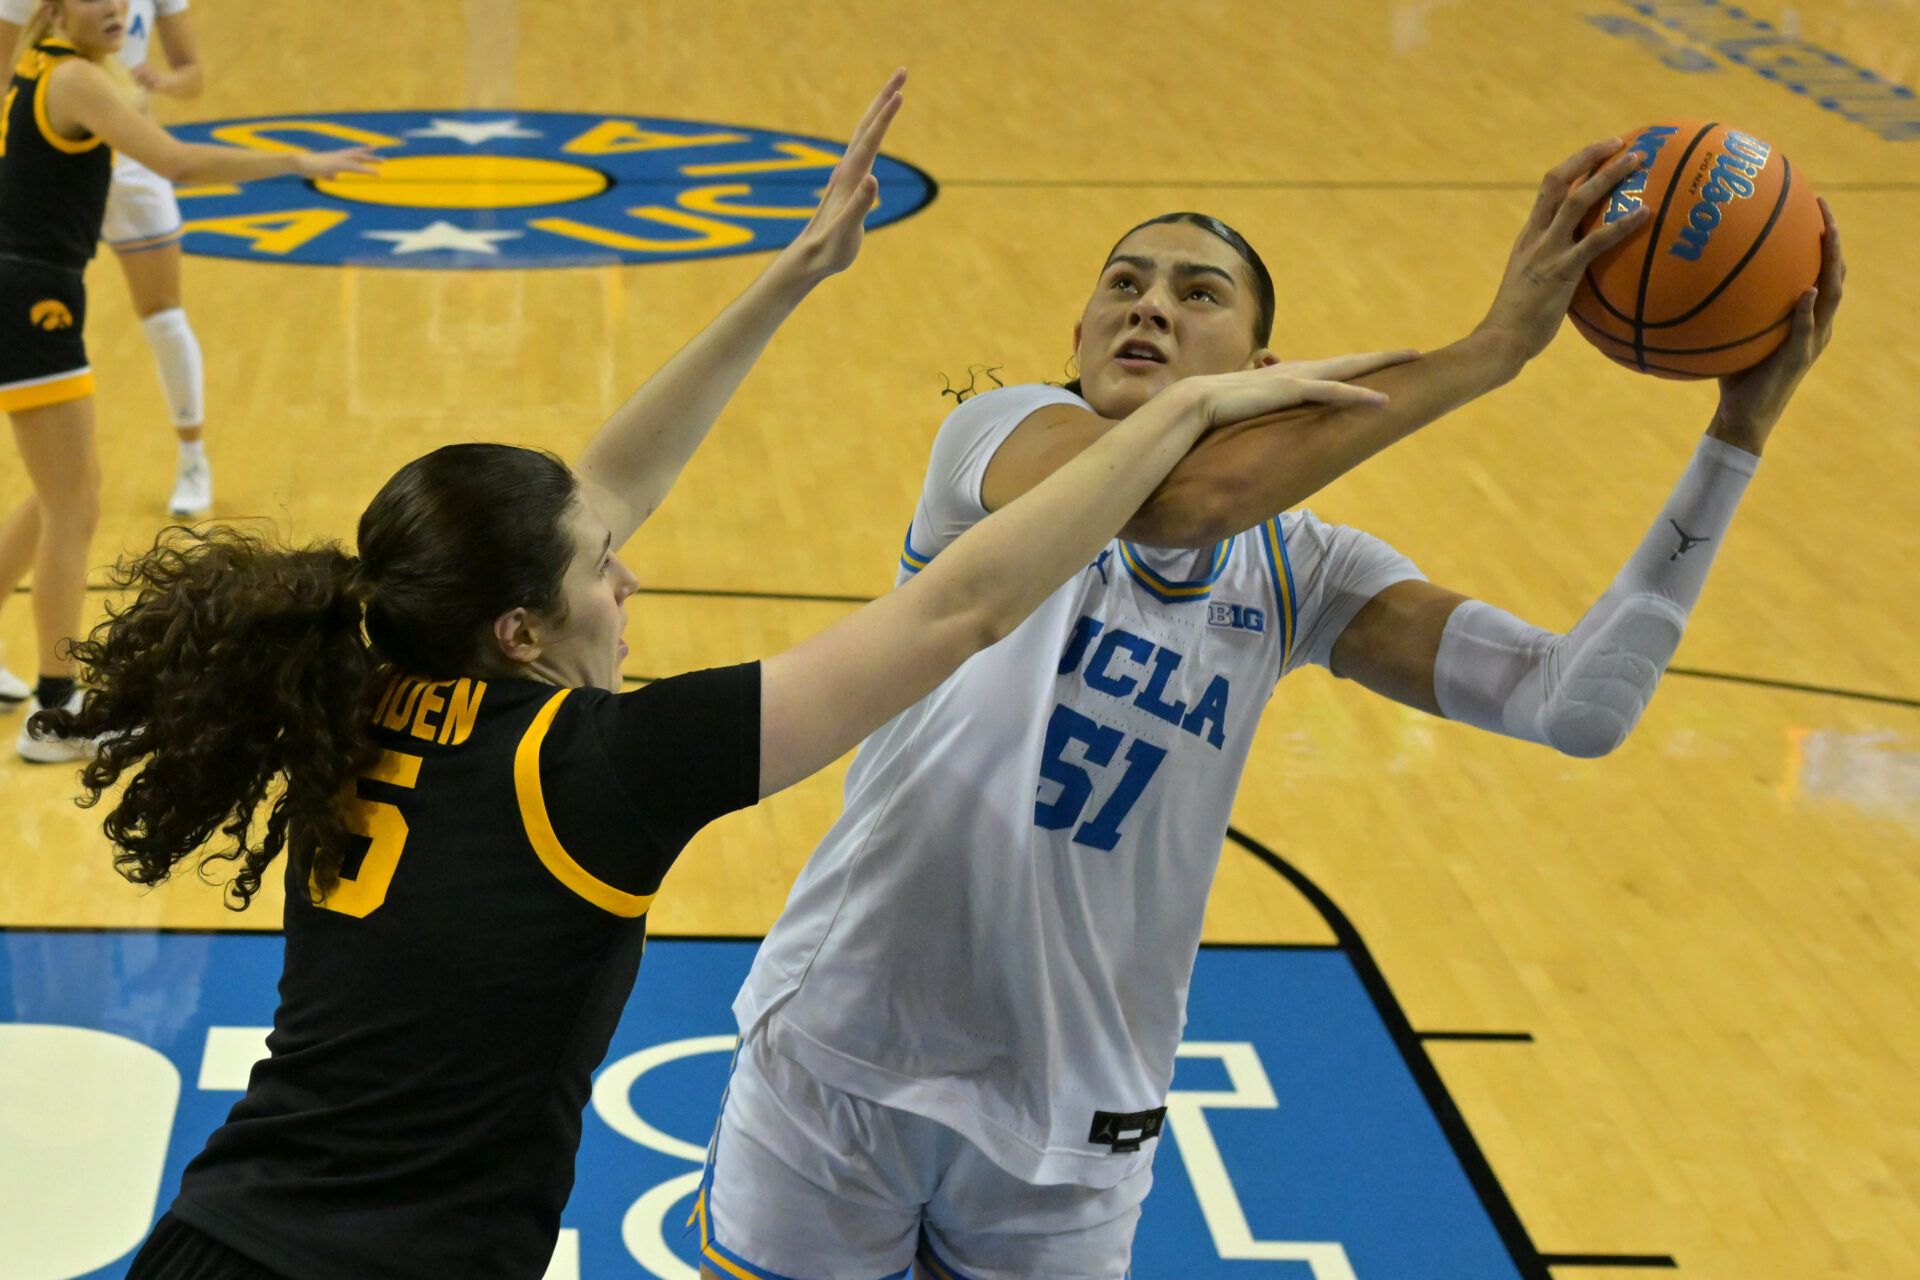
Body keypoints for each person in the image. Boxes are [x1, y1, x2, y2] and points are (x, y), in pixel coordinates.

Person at [49, 72, 1406, 1278]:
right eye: (602, 570)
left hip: (217, 1237)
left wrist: (796, 270)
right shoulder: (601, 771)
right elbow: (968, 606)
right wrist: (1191, 410)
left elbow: (600, 491)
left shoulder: (365, 669)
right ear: (521, 629)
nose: (628, 575)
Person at [700, 148, 1846, 1278]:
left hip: (1077, 1119)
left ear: (1268, 368)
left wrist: (1736, 436)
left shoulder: (1303, 570)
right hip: (845, 1058)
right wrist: (1493, 347)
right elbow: (1179, 504)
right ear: (1080, 337)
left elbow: (1578, 702)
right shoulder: (997, 438)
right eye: (1124, 281)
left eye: (1198, 293)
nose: (1149, 303)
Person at [0, 0, 371, 762]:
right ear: (54, 6)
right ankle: (57, 711)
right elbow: (177, 162)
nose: (112, 8)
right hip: (29, 298)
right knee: (76, 504)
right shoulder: (73, 79)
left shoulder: (34, 69)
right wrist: (297, 164)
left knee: (60, 488)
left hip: (20, 288)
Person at [0, 0, 217, 516]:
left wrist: (161, 83)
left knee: (163, 312)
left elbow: (194, 75)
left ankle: (193, 457)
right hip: (54, 150)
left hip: (131, 156)